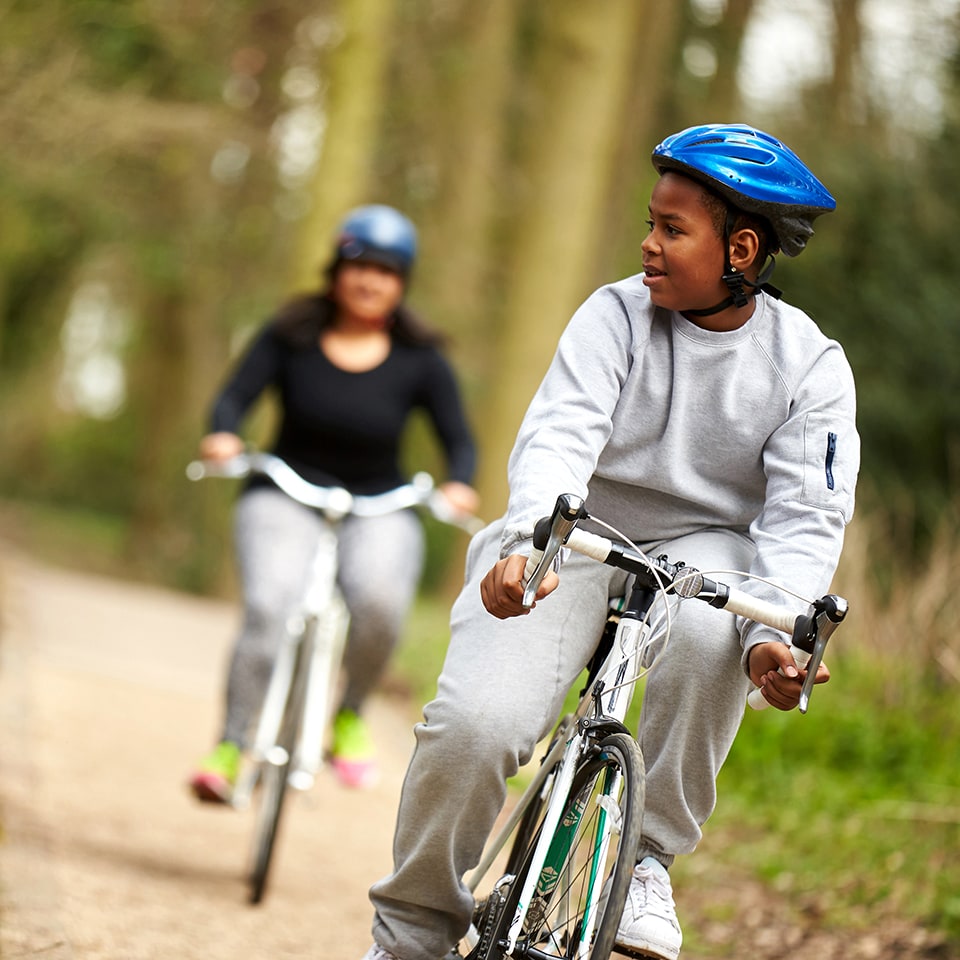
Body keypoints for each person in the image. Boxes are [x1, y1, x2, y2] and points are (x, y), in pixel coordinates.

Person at [360, 124, 859, 960]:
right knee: (475, 728)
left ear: (740, 247)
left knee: (715, 620)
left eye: (672, 229)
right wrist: (526, 542)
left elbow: (805, 517)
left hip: (706, 557)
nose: (648, 243)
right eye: (651, 221)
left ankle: (646, 859)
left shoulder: (810, 367)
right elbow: (559, 438)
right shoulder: (614, 315)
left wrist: (778, 632)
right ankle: (410, 931)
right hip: (574, 538)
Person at [188, 204, 479, 800]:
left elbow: (459, 439)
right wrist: (222, 435)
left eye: (389, 272)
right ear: (336, 271)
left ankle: (348, 714)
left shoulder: (421, 357)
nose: (371, 281)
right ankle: (231, 743)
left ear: (403, 283)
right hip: (285, 489)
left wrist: (459, 480)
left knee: (379, 603)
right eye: (360, 266)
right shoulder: (289, 334)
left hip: (380, 502)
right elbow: (232, 400)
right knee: (269, 607)